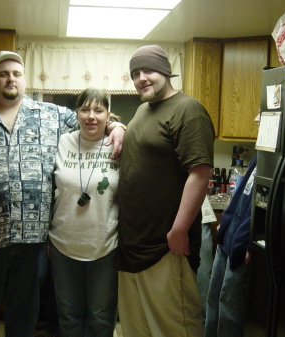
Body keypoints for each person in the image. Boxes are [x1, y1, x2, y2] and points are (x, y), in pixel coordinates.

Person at [0, 51, 125, 337]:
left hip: (32, 240)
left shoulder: (52, 116)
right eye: (4, 74)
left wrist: (117, 126)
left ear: (24, 80)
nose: (11, 79)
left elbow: (92, 120)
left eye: (16, 74)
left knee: (24, 315)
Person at [116, 45, 215, 337]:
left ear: (165, 71)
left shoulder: (188, 109)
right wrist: (115, 126)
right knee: (138, 328)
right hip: (132, 243)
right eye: (135, 73)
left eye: (148, 70)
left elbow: (200, 172)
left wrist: (179, 229)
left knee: (175, 327)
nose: (141, 78)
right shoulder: (142, 110)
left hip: (165, 245)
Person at [49, 88, 120, 337]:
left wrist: (119, 129)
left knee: (101, 319)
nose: (91, 116)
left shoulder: (119, 145)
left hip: (105, 247)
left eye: (99, 110)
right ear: (76, 113)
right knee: (68, 318)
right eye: (85, 109)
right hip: (63, 246)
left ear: (108, 115)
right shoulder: (62, 142)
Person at [204, 112, 260, 337]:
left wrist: (251, 244)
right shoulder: (261, 156)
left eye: (262, 114)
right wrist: (225, 223)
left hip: (242, 247)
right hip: (228, 239)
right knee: (214, 302)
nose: (255, 118)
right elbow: (241, 199)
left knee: (230, 310)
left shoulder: (276, 160)